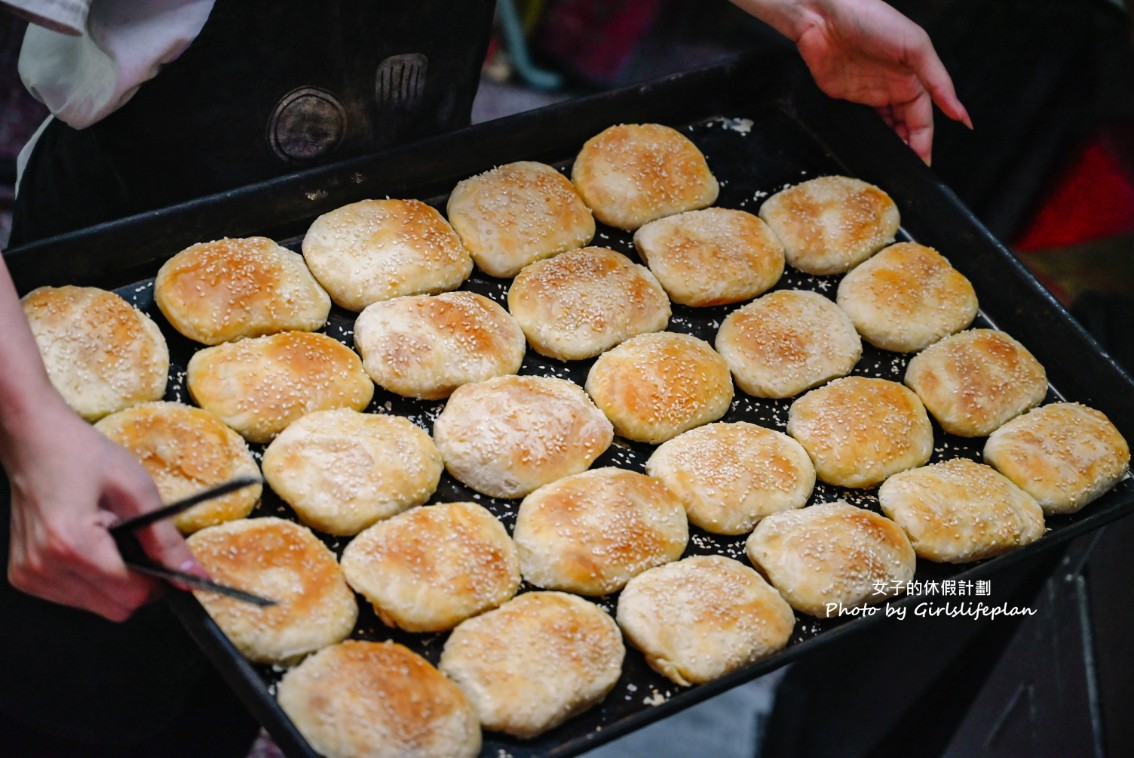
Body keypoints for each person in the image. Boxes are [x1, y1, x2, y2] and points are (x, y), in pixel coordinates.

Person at [0, 0, 971, 753]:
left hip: (412, 207)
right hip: (106, 287)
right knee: (78, 688)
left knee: (261, 667)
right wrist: (34, 422)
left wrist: (808, 12)